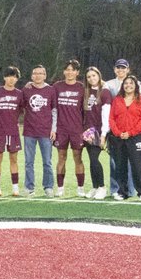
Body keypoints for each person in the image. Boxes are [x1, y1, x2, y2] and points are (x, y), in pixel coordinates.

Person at [108, 75, 141, 202]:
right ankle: (123, 192)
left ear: (136, 85)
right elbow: (111, 118)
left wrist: (130, 133)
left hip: (135, 137)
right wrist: (117, 132)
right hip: (118, 137)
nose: (128, 85)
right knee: (120, 166)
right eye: (126, 83)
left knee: (137, 165)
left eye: (131, 83)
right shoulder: (117, 100)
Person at [0, 66, 24, 197]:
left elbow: (21, 111)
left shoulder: (20, 94)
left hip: (13, 132)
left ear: (17, 79)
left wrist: (17, 123)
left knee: (14, 159)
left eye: (14, 76)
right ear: (4, 77)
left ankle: (15, 188)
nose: (11, 79)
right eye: (9, 75)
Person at [21, 65, 56, 197]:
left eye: (41, 73)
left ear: (45, 75)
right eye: (35, 73)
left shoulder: (50, 90)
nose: (38, 75)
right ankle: (29, 187)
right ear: (31, 76)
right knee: (29, 162)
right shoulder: (26, 90)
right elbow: (20, 106)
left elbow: (55, 111)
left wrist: (54, 129)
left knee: (47, 161)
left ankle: (48, 187)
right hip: (29, 131)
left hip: (46, 132)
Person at [53, 58, 85, 198]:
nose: (69, 72)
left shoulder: (82, 88)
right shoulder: (57, 86)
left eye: (73, 70)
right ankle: (60, 188)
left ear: (77, 72)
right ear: (64, 71)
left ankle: (80, 188)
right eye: (67, 69)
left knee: (78, 158)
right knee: (61, 158)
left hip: (77, 130)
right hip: (61, 130)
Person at [105, 58, 136, 196]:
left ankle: (131, 189)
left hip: (131, 129)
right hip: (115, 129)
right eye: (118, 68)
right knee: (114, 161)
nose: (121, 70)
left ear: (128, 69)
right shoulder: (109, 84)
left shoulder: (136, 84)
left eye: (123, 68)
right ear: (114, 69)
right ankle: (115, 189)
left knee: (131, 160)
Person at [81, 66, 112, 200]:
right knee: (91, 160)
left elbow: (106, 114)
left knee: (95, 159)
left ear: (99, 76)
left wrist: (104, 134)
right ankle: (94, 187)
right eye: (89, 77)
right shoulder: (86, 91)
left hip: (99, 130)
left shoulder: (104, 92)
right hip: (88, 131)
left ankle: (102, 187)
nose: (91, 78)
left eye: (94, 75)